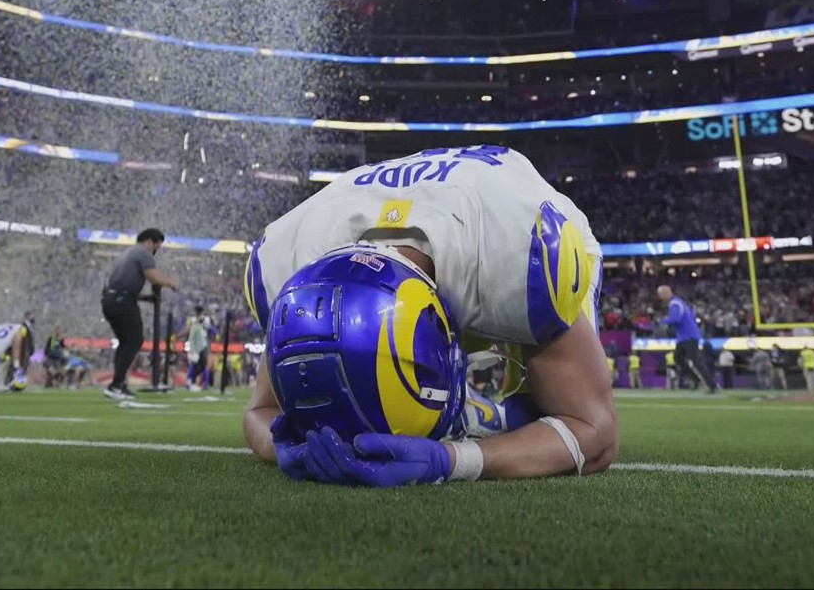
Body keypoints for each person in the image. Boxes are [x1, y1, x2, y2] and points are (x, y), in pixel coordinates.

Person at [242, 145, 617, 486]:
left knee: (536, 412)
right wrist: (286, 446)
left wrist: (453, 460)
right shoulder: (298, 267)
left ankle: (463, 415)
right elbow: (261, 411)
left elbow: (594, 433)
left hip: (507, 222)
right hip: (445, 218)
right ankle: (464, 414)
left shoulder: (518, 255)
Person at [100, 228, 178, 401]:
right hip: (122, 301)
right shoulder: (143, 253)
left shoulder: (126, 253)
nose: (156, 250)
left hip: (110, 300)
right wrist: (170, 282)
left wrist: (144, 297)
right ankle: (115, 385)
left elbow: (120, 284)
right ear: (151, 241)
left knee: (125, 342)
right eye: (157, 246)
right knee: (135, 340)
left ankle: (119, 384)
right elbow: (154, 278)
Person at [656, 286, 718, 394]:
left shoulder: (675, 304)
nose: (659, 297)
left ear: (665, 293)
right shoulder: (680, 303)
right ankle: (696, 379)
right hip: (684, 336)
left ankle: (711, 385)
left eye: (660, 294)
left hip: (688, 336)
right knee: (678, 358)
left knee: (695, 361)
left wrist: (663, 321)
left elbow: (676, 318)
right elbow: (691, 315)